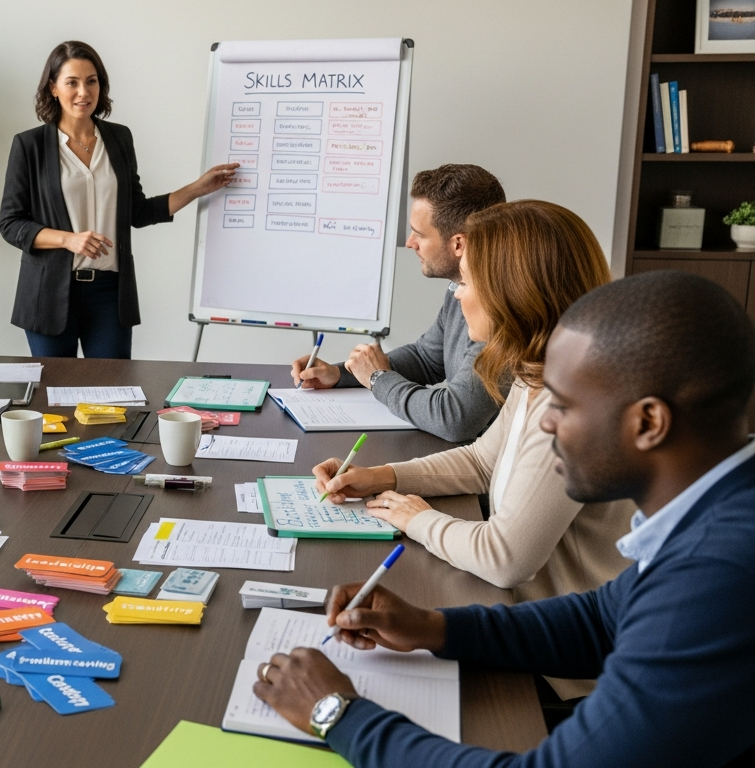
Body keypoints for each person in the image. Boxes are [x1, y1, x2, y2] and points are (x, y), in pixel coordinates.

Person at [255, 270, 755, 767]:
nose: (548, 423)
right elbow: (600, 621)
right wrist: (432, 627)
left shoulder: (716, 576)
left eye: (564, 405)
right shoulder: (719, 507)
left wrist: (336, 713)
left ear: (648, 423)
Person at [314, 201, 632, 603]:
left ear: (511, 293)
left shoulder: (575, 402)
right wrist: (380, 476)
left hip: (561, 632)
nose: (457, 296)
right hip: (525, 607)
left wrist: (418, 519)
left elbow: (505, 558)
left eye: (463, 282)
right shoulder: (539, 369)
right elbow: (483, 461)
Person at [0, 40, 238, 359]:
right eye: (72, 82)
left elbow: (137, 211)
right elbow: (10, 223)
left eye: (91, 81)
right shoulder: (29, 146)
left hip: (109, 293)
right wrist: (68, 240)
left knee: (113, 389)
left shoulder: (119, 138)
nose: (83, 92)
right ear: (53, 88)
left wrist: (197, 188)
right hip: (48, 293)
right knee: (54, 389)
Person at [293, 164, 507, 442]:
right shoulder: (460, 287)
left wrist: (377, 378)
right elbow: (426, 359)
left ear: (458, 244)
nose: (409, 243)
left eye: (420, 234)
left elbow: (454, 418)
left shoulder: (502, 307)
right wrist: (342, 373)